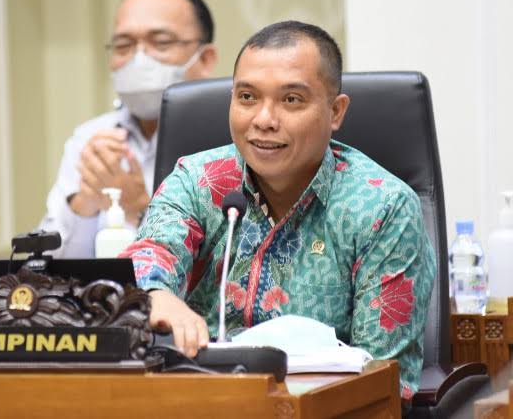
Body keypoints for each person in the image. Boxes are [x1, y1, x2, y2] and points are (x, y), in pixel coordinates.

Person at [122, 21, 435, 402]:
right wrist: (155, 293)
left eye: (291, 100)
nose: (264, 120)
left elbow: (385, 381)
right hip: (200, 401)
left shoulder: (383, 208)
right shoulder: (197, 181)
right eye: (247, 97)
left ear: (336, 111)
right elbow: (151, 253)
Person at [39, 0, 217, 257]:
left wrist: (141, 209)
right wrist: (83, 206)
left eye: (161, 42)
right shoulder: (91, 139)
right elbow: (51, 267)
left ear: (205, 59)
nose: (139, 59)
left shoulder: (230, 142)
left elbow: (228, 265)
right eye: (123, 45)